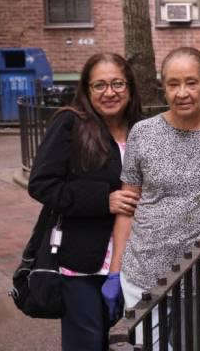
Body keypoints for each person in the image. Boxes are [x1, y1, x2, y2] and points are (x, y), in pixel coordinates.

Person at [102, 47, 200, 347]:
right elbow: (127, 207)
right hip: (144, 271)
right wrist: (114, 272)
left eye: (191, 82)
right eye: (173, 84)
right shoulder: (143, 133)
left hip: (199, 272)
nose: (182, 93)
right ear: (163, 87)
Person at [28, 53, 142, 350]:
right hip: (82, 262)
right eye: (99, 85)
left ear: (129, 87)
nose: (109, 92)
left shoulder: (142, 130)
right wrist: (103, 200)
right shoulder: (71, 123)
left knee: (127, 340)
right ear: (87, 90)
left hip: (133, 258)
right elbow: (42, 184)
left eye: (117, 83)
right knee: (88, 343)